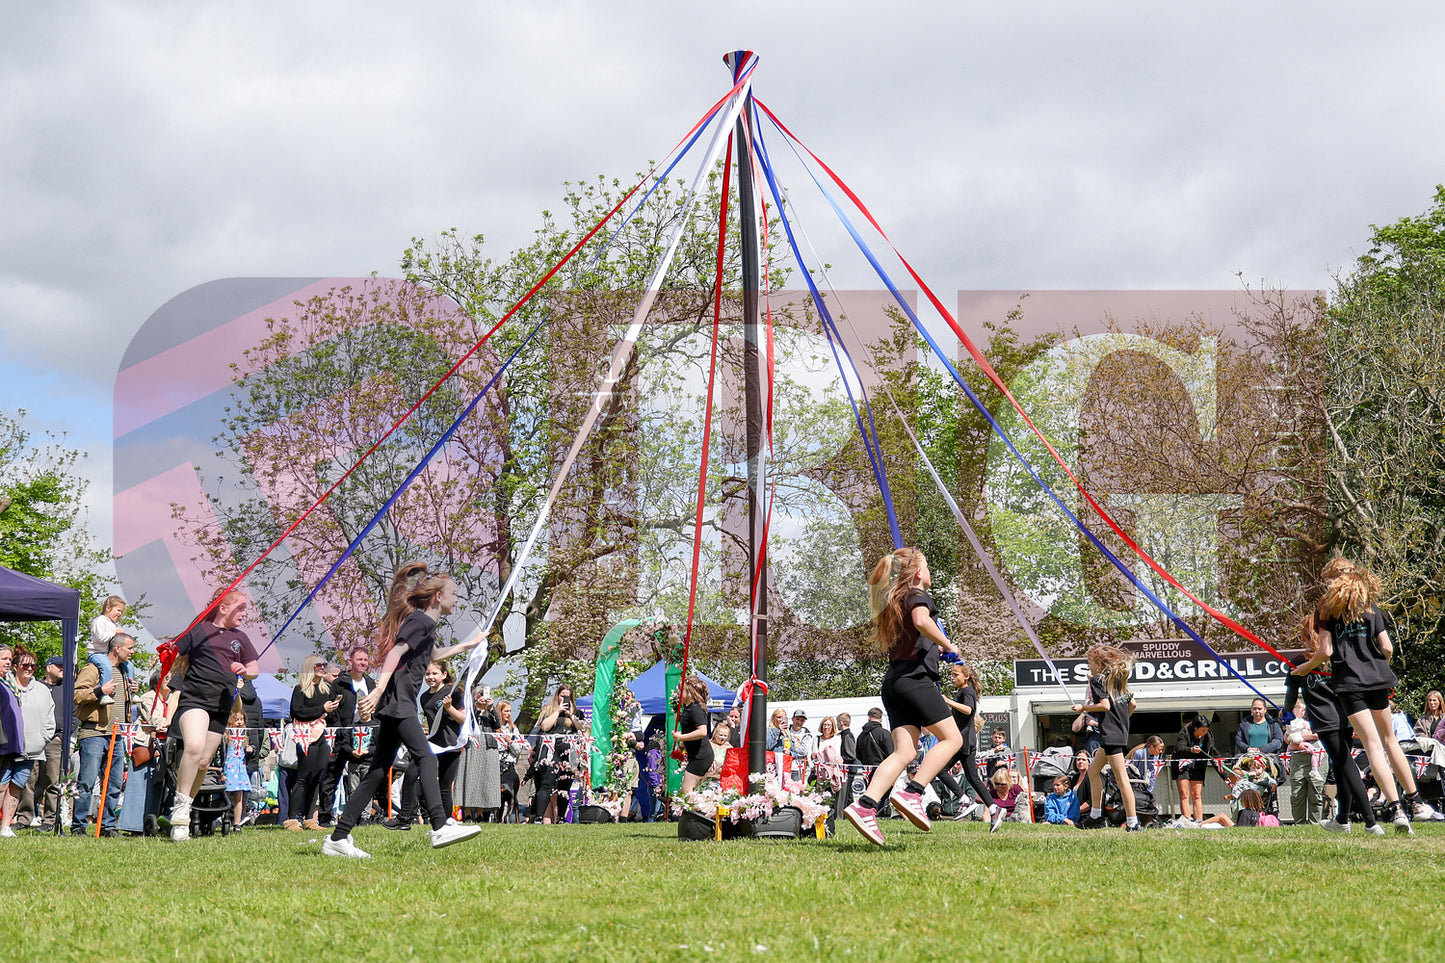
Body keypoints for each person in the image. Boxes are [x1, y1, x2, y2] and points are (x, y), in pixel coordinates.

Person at [323, 562, 483, 857]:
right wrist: (380, 689)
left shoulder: (427, 625)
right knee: (425, 758)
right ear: (438, 597)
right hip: (399, 702)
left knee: (377, 771)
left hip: (398, 702)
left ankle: (338, 837)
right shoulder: (421, 622)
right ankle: (439, 825)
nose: (456, 599)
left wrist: (468, 645)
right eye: (453, 593)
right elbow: (395, 652)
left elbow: (433, 654)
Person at [1292, 558, 1430, 832]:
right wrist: (1376, 666)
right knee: (1391, 741)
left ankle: (1397, 809)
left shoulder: (1326, 610)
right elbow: (1387, 648)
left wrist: (1304, 668)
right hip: (1378, 679)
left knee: (1372, 746)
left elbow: (1326, 652)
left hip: (1350, 683)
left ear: (1333, 578)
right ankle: (1417, 802)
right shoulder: (1370, 606)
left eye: (1326, 579)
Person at [843, 547, 964, 845]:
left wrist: (935, 650)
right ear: (920, 573)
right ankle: (913, 792)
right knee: (953, 739)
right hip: (916, 681)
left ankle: (865, 805)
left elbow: (916, 636)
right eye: (928, 567)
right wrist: (949, 646)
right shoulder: (919, 596)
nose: (931, 573)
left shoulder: (895, 599)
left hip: (894, 683)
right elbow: (923, 622)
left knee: (905, 752)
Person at [167, 589, 261, 842]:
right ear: (223, 607)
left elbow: (254, 667)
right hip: (194, 700)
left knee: (203, 763)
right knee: (194, 748)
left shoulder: (239, 638)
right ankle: (181, 812)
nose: (244, 613)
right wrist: (166, 652)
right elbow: (173, 649)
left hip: (221, 707)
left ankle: (185, 804)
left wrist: (245, 671)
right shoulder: (200, 630)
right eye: (240, 607)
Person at [1287, 614, 1382, 834]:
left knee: (1345, 764)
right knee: (1340, 767)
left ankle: (1371, 822)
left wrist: (1285, 713)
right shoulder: (1338, 655)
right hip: (1347, 717)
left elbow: (1291, 694)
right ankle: (1342, 819)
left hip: (1327, 720)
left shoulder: (1300, 661)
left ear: (1304, 634)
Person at [73, 632, 136, 836]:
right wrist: (100, 691)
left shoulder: (125, 672)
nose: (133, 652)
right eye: (130, 648)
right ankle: (79, 826)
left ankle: (107, 826)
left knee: (115, 782)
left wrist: (132, 691)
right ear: (117, 648)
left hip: (117, 735)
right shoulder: (94, 669)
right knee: (87, 782)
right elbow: (77, 694)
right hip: (94, 733)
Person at [1072, 644, 1140, 831]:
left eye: (1090, 663)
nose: (1089, 667)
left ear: (1099, 663)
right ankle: (1095, 816)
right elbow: (1133, 703)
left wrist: (1082, 708)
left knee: (1122, 779)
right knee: (1094, 772)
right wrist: (1122, 721)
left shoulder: (1097, 679)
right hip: (1116, 733)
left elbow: (1104, 706)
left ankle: (1133, 823)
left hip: (1110, 735)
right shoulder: (1115, 679)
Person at [393, 662, 466, 828]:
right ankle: (405, 817)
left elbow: (463, 719)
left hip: (451, 744)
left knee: (445, 786)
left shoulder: (453, 692)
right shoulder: (424, 697)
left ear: (444, 675)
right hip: (433, 743)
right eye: (427, 674)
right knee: (411, 774)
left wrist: (448, 708)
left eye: (435, 673)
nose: (431, 677)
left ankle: (448, 822)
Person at [285, 654, 340, 831]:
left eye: (324, 665)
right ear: (310, 667)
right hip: (305, 736)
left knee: (317, 778)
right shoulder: (300, 689)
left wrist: (331, 709)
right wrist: (321, 710)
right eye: (319, 665)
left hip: (322, 736)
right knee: (303, 777)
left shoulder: (326, 689)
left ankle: (310, 819)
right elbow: (298, 712)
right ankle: (292, 819)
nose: (323, 668)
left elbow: (331, 717)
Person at [6, 647, 53, 835]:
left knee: (18, 786)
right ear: (16, 666)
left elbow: (50, 718)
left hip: (32, 748)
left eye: (33, 665)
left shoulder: (42, 690)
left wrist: (42, 739)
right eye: (26, 665)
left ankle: (6, 825)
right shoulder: (7, 687)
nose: (30, 668)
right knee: (3, 785)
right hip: (8, 747)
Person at [940, 662, 994, 820]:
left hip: (961, 741)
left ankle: (964, 799)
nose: (952, 677)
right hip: (968, 740)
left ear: (966, 676)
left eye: (956, 674)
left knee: (940, 770)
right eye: (952, 674)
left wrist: (948, 701)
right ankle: (992, 807)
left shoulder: (967, 691)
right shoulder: (964, 692)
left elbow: (969, 710)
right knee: (973, 777)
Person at [32, 657, 66, 830]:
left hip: (55, 740)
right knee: (29, 780)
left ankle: (49, 820)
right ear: (48, 667)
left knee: (53, 781)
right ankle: (24, 817)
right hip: (34, 739)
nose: (63, 669)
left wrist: (61, 736)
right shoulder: (35, 687)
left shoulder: (67, 689)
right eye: (59, 666)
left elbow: (73, 715)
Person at [0, 645, 30, 837]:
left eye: (10, 659)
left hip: (8, 743)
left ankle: (4, 826)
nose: (9, 662)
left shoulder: (6, 683)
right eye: (4, 659)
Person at [1283, 698, 1326, 825]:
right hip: (1298, 758)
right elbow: (1286, 737)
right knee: (1297, 795)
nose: (1303, 711)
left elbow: (1318, 733)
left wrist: (1298, 737)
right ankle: (1299, 824)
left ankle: (1315, 824)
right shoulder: (1291, 722)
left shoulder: (1317, 716)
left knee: (1315, 793)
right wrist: (1297, 744)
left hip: (1317, 757)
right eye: (1301, 709)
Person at [87, 596, 133, 706]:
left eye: (121, 612)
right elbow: (101, 638)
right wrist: (115, 632)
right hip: (96, 653)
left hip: (106, 653)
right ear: (108, 608)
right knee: (106, 666)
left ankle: (131, 689)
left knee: (130, 665)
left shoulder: (113, 624)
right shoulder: (99, 621)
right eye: (118, 610)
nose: (120, 614)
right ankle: (104, 694)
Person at [673, 676, 714, 796]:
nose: (678, 692)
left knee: (687, 790)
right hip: (696, 755)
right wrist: (681, 747)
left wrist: (681, 738)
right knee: (691, 790)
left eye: (681, 690)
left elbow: (702, 732)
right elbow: (689, 731)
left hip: (701, 756)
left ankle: (692, 813)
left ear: (690, 693)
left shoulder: (695, 709)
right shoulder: (688, 709)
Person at [1173, 715, 1216, 825]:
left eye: (1206, 730)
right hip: (1182, 765)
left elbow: (1212, 752)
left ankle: (1199, 821)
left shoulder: (1208, 736)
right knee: (1184, 793)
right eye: (1202, 730)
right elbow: (1179, 748)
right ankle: (1187, 820)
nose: (1204, 732)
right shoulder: (1184, 732)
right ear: (1195, 728)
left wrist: (1224, 774)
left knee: (1196, 794)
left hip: (1198, 765)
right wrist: (1191, 749)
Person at [223, 707, 251, 831]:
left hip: (240, 768)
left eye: (241, 719)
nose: (239, 722)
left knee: (239, 796)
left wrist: (250, 749)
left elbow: (249, 749)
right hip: (229, 767)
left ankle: (237, 823)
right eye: (236, 719)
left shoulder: (244, 735)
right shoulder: (226, 735)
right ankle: (224, 820)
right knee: (226, 795)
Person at [1194, 788, 1276, 829]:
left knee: (1222, 817)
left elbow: (1240, 828)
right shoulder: (1259, 811)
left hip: (1237, 828)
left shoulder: (1245, 812)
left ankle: (1199, 824)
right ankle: (1200, 824)